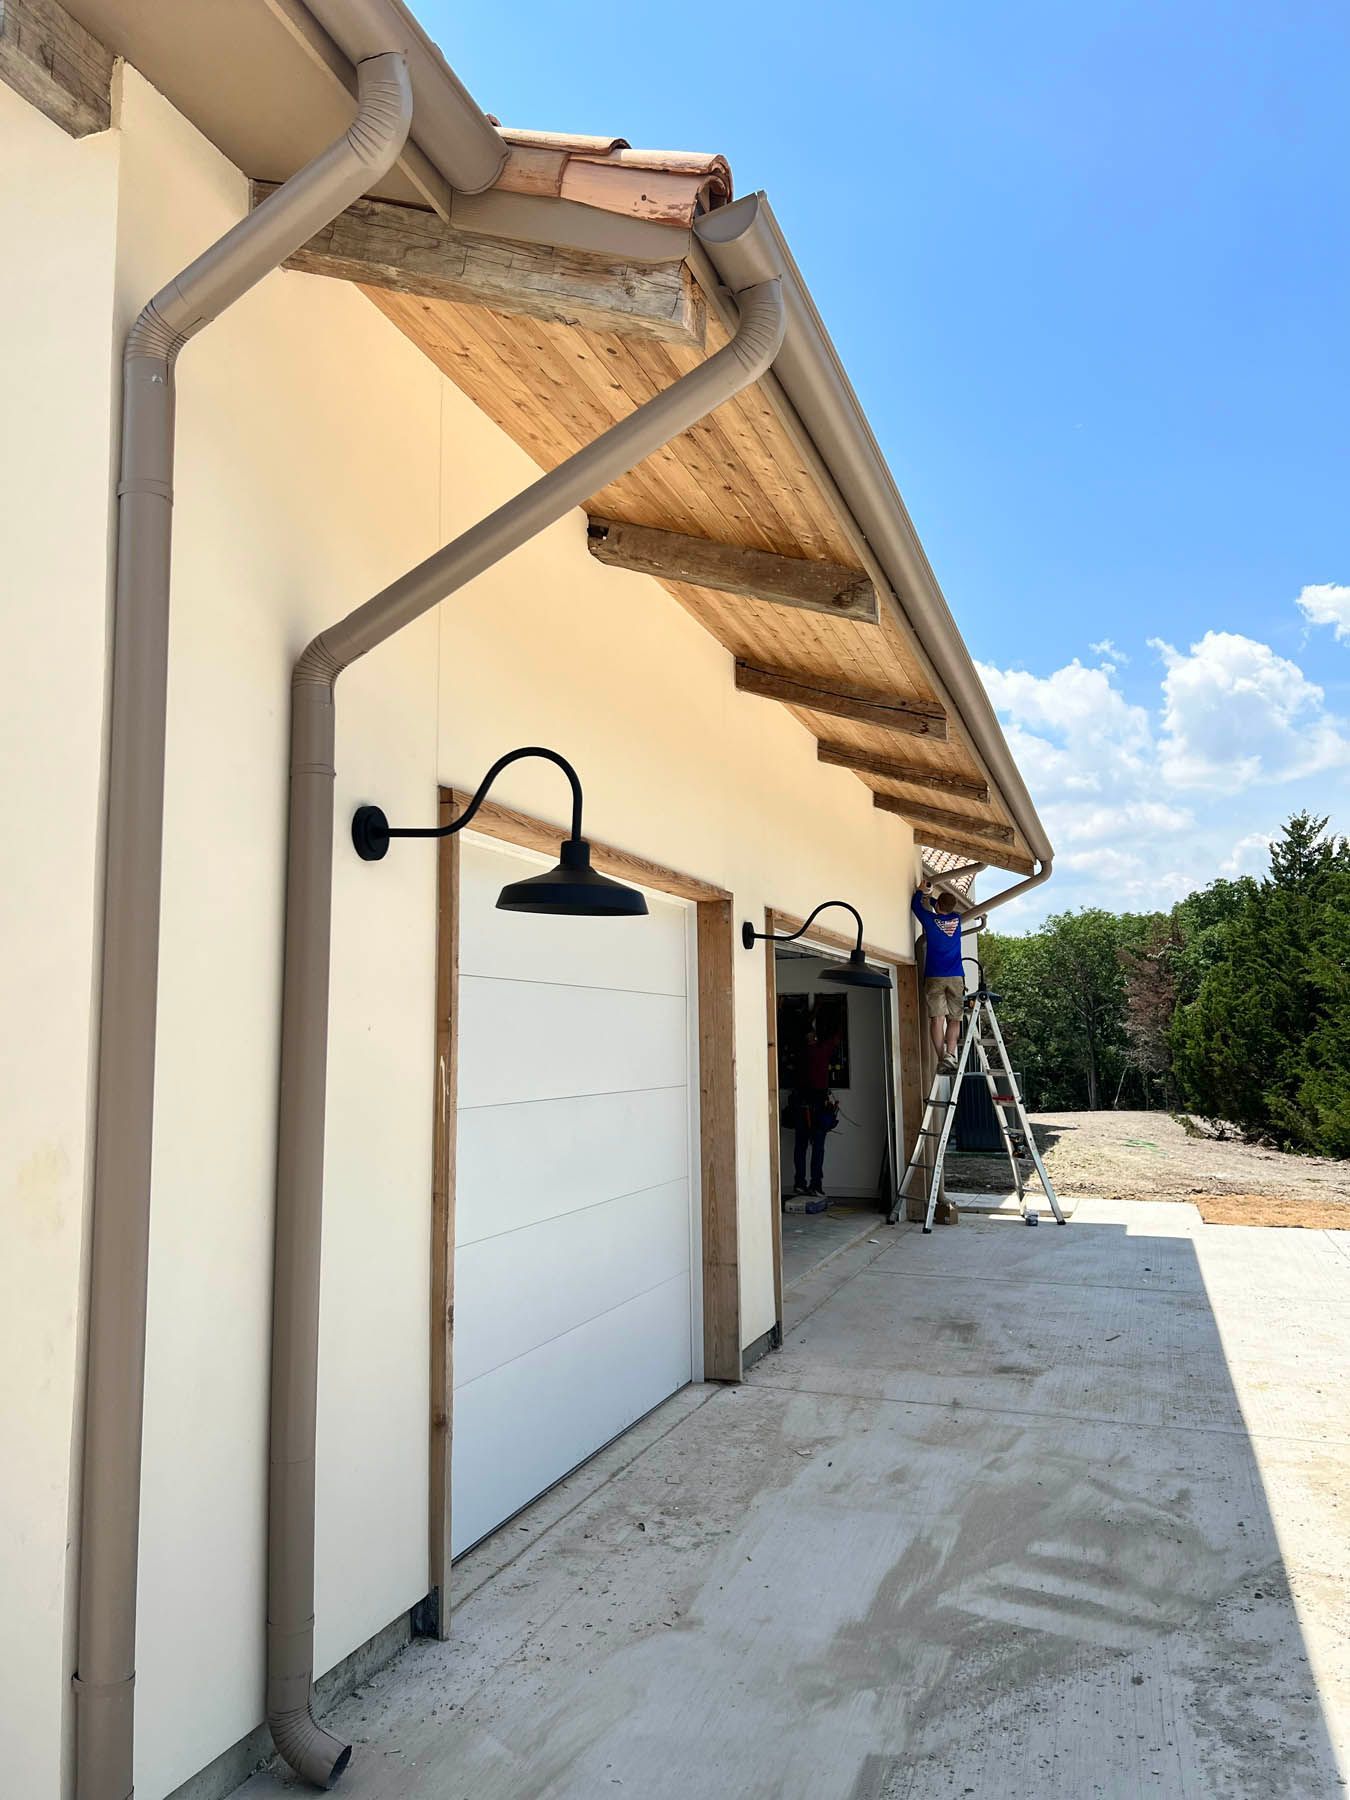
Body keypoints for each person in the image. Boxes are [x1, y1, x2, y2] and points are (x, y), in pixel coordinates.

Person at [911, 878, 966, 1074]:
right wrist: (935, 900)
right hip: (956, 976)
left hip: (934, 976)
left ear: (939, 905)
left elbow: (915, 906)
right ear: (952, 907)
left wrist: (921, 892)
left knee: (937, 1020)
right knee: (955, 1019)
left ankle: (942, 1058)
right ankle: (950, 1055)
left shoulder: (929, 920)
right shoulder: (957, 920)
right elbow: (940, 906)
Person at [791, 1021, 839, 1199]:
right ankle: (815, 1185)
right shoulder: (822, 1050)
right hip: (817, 1105)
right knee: (818, 1146)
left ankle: (799, 1183)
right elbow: (836, 1037)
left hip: (801, 1104)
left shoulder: (801, 1052)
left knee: (801, 1146)